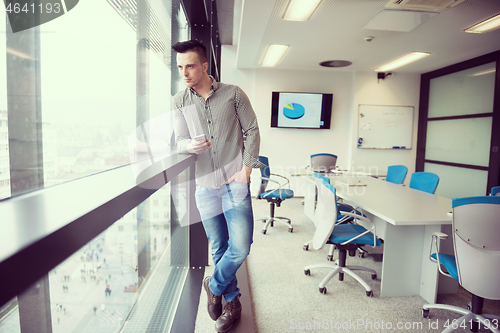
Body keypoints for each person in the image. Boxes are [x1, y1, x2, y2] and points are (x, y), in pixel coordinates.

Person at [172, 39, 263, 333]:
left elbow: (252, 130)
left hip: (234, 182)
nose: (184, 72)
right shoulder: (179, 101)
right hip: (204, 185)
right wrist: (189, 145)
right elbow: (179, 141)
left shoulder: (233, 94)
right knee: (219, 247)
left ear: (204, 66)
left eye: (189, 66)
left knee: (240, 246)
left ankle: (214, 284)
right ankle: (232, 304)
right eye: (180, 67)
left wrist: (247, 169)